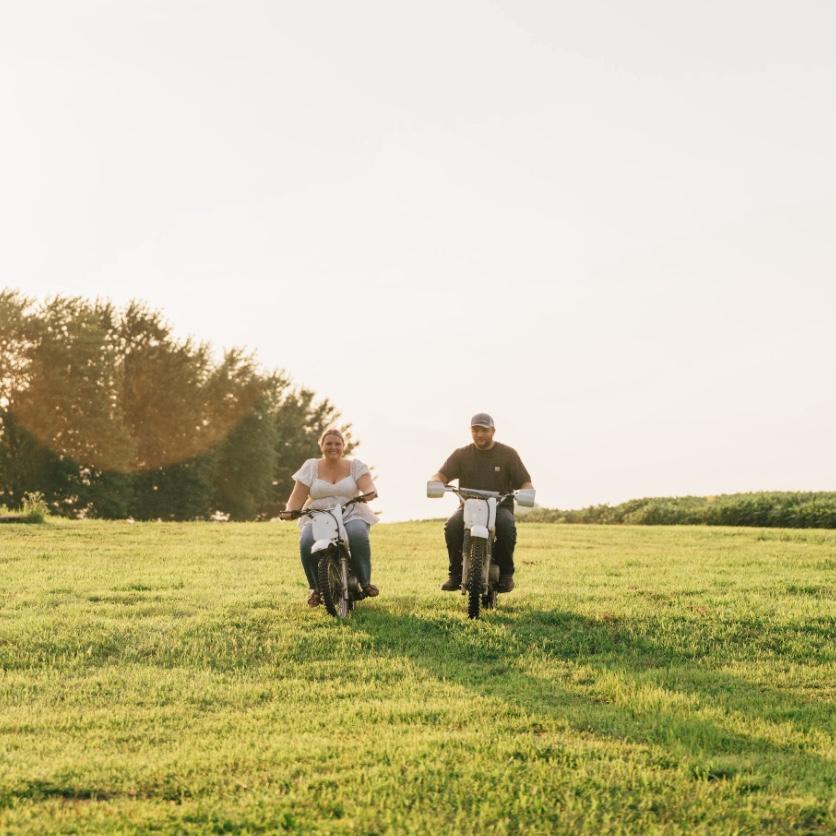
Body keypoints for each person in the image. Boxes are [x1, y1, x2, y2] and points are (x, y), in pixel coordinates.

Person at [429, 413, 533, 593]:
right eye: (475, 430)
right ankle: (455, 574)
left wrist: (527, 491)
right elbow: (441, 475)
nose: (479, 434)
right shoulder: (461, 454)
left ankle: (506, 575)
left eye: (484, 430)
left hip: (499, 507)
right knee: (452, 526)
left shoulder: (508, 454)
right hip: (468, 506)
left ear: (493, 431)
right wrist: (436, 482)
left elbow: (525, 481)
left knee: (507, 525)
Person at [284, 428, 379, 606]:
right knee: (306, 541)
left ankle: (365, 583)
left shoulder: (355, 466)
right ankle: (316, 588)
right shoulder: (311, 467)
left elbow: (367, 485)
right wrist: (290, 510)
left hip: (351, 512)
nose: (333, 447)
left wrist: (369, 492)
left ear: (343, 446)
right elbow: (297, 495)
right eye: (328, 443)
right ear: (321, 445)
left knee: (358, 534)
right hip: (318, 514)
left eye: (337, 444)